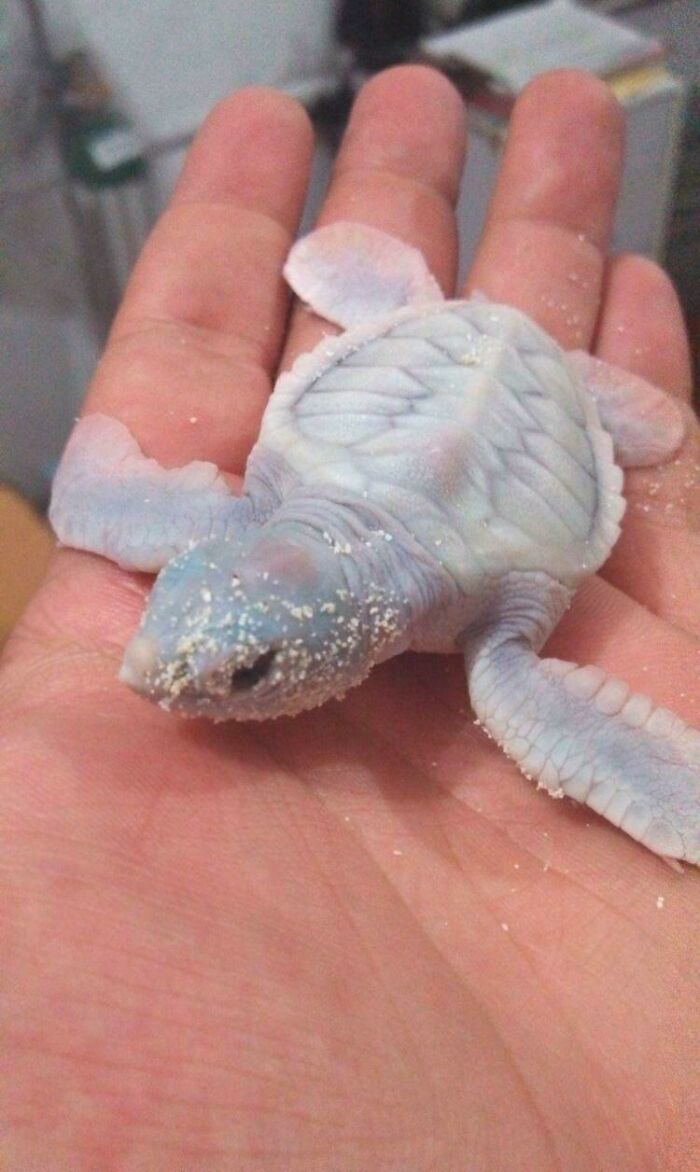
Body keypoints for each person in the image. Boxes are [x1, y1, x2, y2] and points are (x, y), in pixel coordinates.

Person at [1, 66, 697, 1170]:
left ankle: (484, 340)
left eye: (242, 673)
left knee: (523, 697)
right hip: (420, 392)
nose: (153, 680)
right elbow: (98, 494)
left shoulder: (490, 615)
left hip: (506, 416)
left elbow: (103, 487)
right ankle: (446, 322)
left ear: (324, 655)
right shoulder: (275, 491)